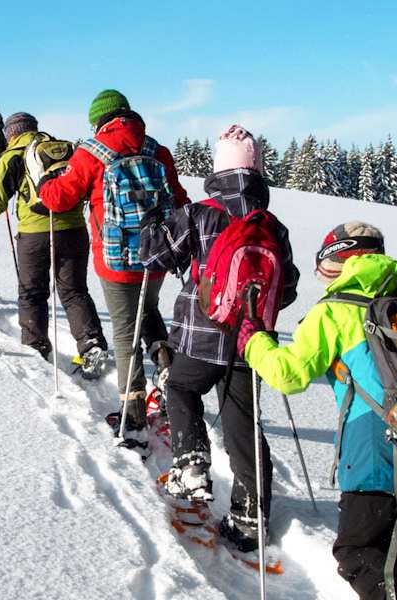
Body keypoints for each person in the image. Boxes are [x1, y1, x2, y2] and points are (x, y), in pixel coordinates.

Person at [240, 223, 397, 600]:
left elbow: (288, 374)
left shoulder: (334, 311)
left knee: (358, 554)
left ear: (339, 260)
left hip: (375, 449)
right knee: (389, 556)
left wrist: (253, 341)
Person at [138, 125, 299, 554]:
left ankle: (191, 461)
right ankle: (250, 517)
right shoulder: (272, 225)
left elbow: (153, 256)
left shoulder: (200, 213)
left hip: (201, 335)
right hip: (252, 342)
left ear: (219, 169)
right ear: (256, 170)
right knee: (242, 423)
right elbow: (288, 287)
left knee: (181, 386)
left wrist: (153, 221)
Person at [37, 89, 189, 431]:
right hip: (157, 256)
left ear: (98, 121)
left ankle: (132, 408)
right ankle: (167, 372)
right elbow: (179, 199)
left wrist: (45, 184)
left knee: (124, 331)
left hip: (117, 259)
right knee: (148, 313)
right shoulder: (157, 150)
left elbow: (60, 199)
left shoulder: (91, 152)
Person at [0, 113, 108, 364]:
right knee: (75, 291)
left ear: (11, 134)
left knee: (32, 293)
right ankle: (91, 343)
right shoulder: (62, 150)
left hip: (34, 235)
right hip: (74, 230)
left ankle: (36, 348)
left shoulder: (12, 156)